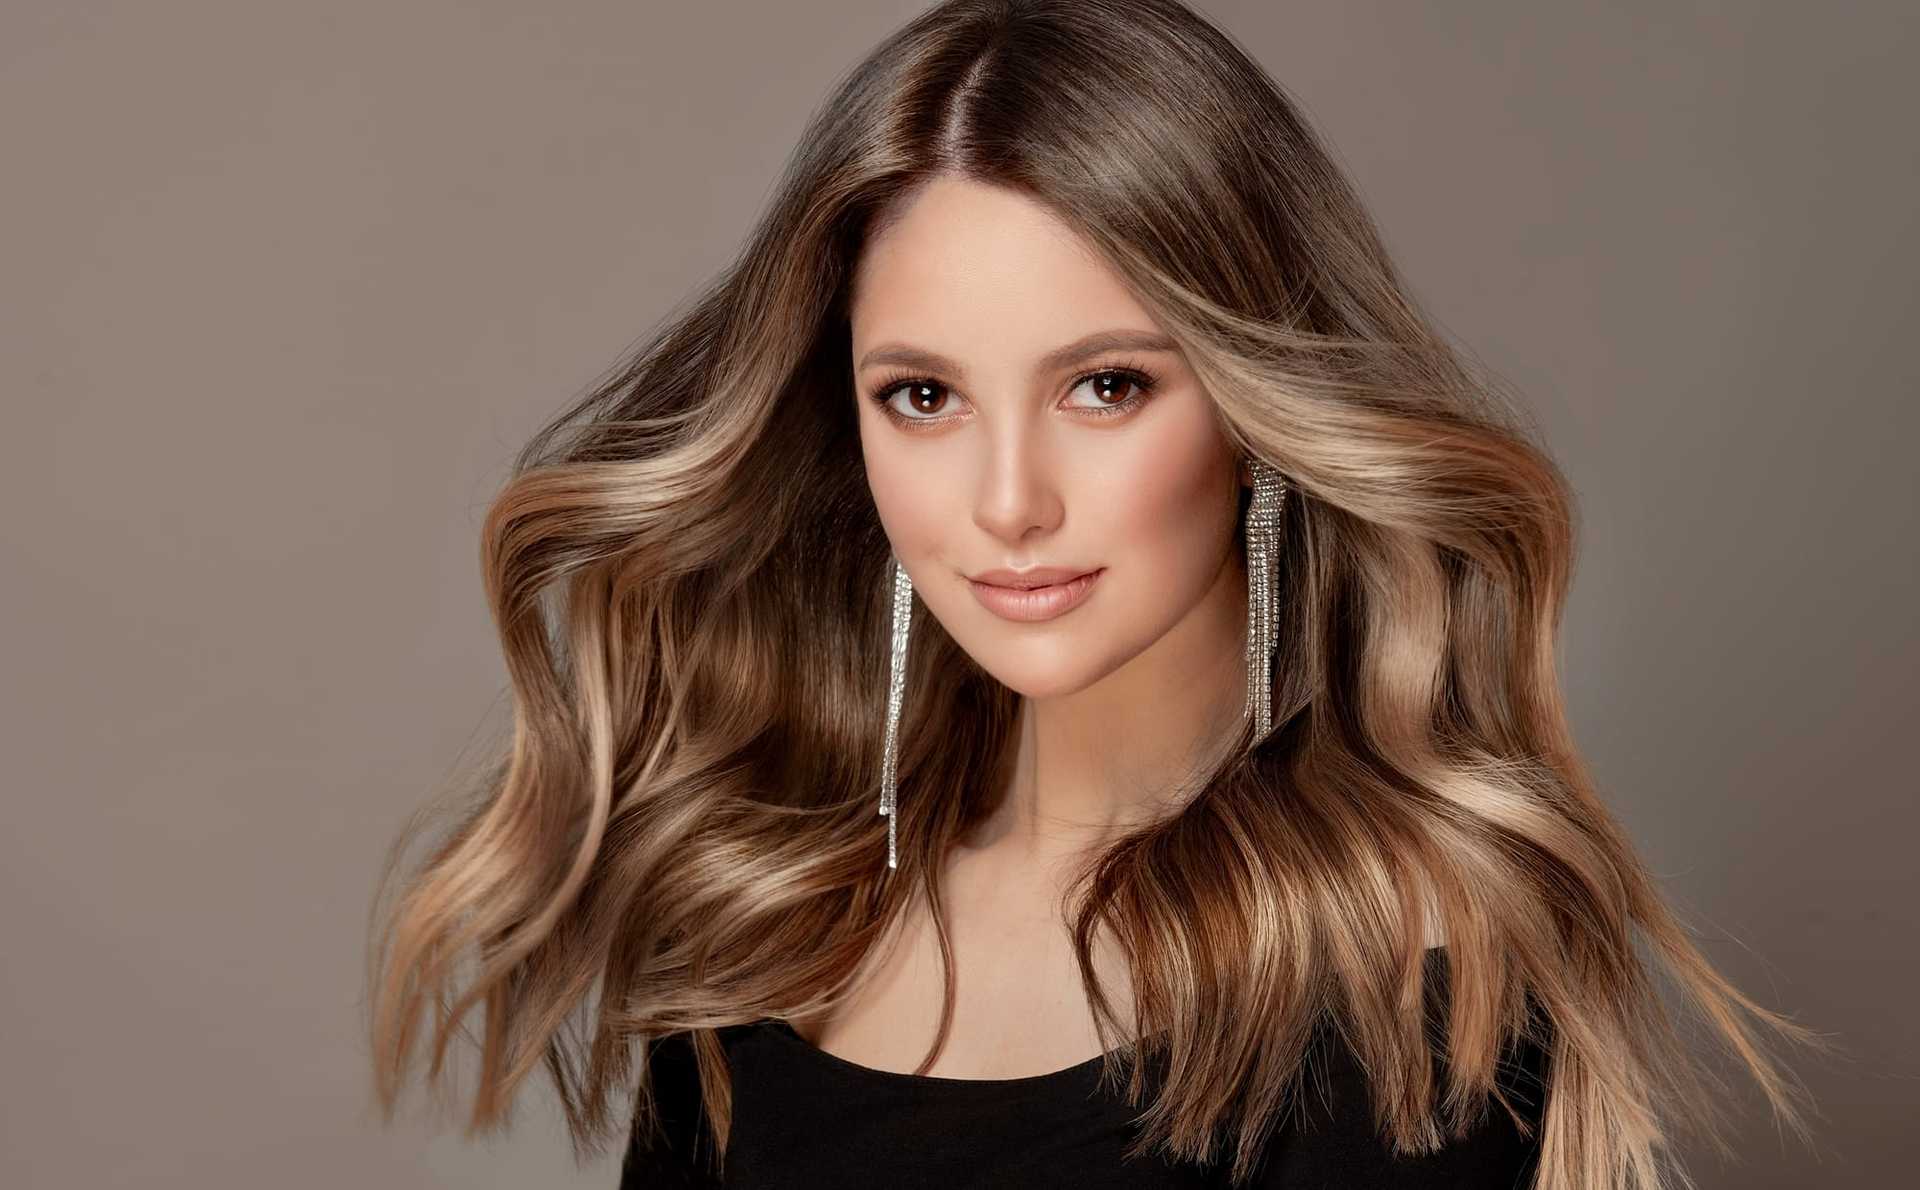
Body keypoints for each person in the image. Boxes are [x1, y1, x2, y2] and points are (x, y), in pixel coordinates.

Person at [365, 2, 1827, 1187]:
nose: (1008, 499)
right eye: (923, 393)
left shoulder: (1414, 974)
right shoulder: (771, 937)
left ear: (1259, 403)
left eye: (1106, 384)